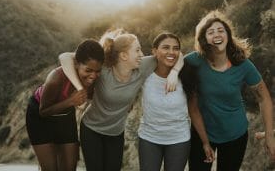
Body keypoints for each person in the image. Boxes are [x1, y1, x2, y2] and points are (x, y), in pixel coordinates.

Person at [58, 29, 182, 171]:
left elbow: (175, 55)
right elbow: (65, 57)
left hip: (116, 133)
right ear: (123, 55)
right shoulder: (104, 68)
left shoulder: (142, 67)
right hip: (91, 130)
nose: (142, 54)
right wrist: (79, 87)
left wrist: (174, 72)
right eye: (137, 50)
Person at [185, 10, 275, 171]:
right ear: (204, 39)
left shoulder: (242, 64)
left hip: (235, 135)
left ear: (228, 35)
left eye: (221, 30)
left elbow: (264, 98)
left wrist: (269, 135)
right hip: (203, 133)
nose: (217, 34)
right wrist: (171, 76)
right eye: (211, 32)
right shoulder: (195, 60)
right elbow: (172, 61)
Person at [137, 33, 214, 171]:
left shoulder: (187, 76)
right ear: (154, 51)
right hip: (149, 138)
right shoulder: (145, 73)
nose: (171, 52)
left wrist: (205, 142)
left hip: (179, 140)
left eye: (175, 48)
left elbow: (194, 111)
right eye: (165, 47)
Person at [25, 39, 104, 171]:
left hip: (65, 115)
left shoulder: (94, 79)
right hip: (39, 116)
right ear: (77, 64)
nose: (93, 76)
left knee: (69, 167)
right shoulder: (56, 78)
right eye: (88, 70)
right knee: (50, 168)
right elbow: (43, 111)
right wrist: (71, 101)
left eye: (97, 71)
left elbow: (94, 96)